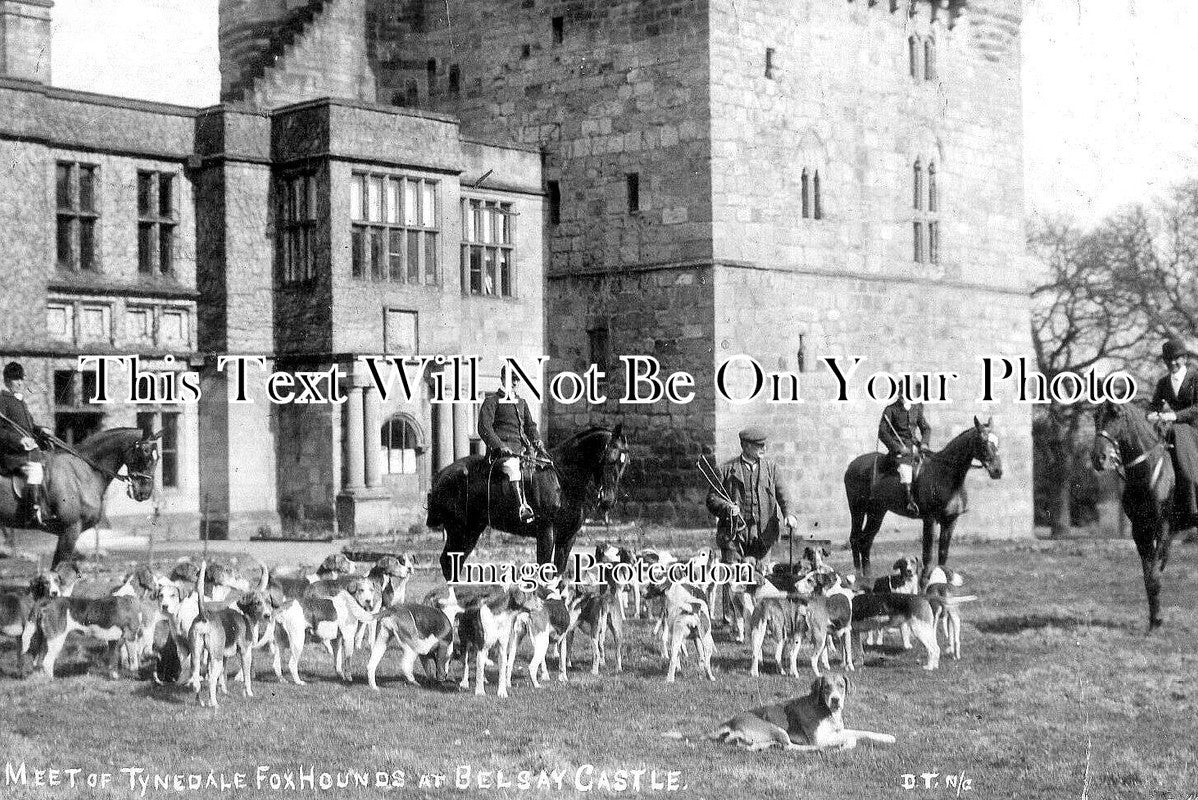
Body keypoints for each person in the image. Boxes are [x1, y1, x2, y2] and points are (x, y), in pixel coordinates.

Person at [706, 427, 798, 566]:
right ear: (746, 446)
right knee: (733, 574)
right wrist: (727, 508)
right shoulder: (725, 469)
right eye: (759, 446)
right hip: (733, 535)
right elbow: (712, 499)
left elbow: (784, 495)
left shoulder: (772, 469)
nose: (764, 449)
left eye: (764, 445)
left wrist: (789, 514)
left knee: (761, 575)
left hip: (763, 535)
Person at [477, 368, 544, 524]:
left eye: (517, 379)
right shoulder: (492, 401)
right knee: (513, 467)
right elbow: (484, 427)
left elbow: (530, 426)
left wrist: (537, 440)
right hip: (500, 455)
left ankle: (541, 508)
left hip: (522, 451)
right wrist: (499, 446)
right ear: (502, 379)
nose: (514, 382)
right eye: (510, 379)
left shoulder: (522, 402)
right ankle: (521, 508)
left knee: (542, 468)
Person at [1148, 337, 1198, 532]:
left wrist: (1175, 416)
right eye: (1169, 360)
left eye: (1177, 358)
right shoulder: (1163, 382)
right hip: (1173, 429)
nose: (1173, 363)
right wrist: (1151, 414)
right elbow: (1154, 404)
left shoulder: (1195, 378)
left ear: (1184, 359)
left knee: (1178, 432)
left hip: (1193, 428)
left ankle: (1192, 505)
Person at [0, 361, 53, 527]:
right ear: (7, 381)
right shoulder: (3, 400)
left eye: (21, 379)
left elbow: (29, 427)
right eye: (15, 379)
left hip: (28, 452)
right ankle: (31, 511)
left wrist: (41, 430)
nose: (19, 383)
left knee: (49, 466)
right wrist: (19, 440)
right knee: (35, 470)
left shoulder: (21, 402)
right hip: (12, 455)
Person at [878, 385, 932, 515]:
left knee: (929, 465)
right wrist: (897, 448)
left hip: (915, 447)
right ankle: (910, 502)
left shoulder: (915, 409)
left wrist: (924, 443)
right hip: (899, 450)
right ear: (899, 393)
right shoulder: (890, 410)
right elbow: (883, 432)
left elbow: (926, 428)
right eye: (903, 392)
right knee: (905, 469)